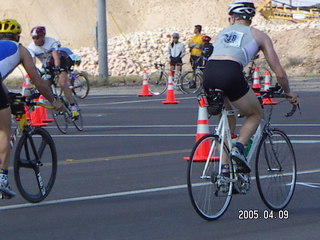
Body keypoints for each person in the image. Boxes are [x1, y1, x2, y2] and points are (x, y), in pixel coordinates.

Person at [203, 1, 299, 173]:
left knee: (227, 119)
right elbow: (280, 73)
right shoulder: (259, 36)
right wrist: (288, 91)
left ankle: (224, 171)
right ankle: (238, 148)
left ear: (232, 18)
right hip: (230, 72)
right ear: (251, 18)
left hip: (209, 73)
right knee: (255, 113)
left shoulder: (223, 32)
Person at [0, 19, 63, 198]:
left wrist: (7, 94)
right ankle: (2, 179)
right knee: (3, 131)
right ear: (18, 36)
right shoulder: (21, 50)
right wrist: (54, 100)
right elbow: (38, 81)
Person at [28, 26, 79, 118]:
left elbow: (56, 57)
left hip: (60, 62)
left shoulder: (51, 42)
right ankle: (57, 102)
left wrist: (57, 68)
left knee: (63, 83)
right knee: (44, 86)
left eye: (37, 38)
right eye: (33, 38)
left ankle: (73, 106)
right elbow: (32, 62)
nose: (35, 40)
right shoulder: (31, 47)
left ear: (43, 36)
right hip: (47, 65)